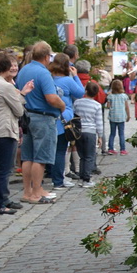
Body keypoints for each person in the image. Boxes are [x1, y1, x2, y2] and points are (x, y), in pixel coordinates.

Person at [15, 41, 65, 204]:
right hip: (43, 117)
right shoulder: (43, 73)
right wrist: (62, 105)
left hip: (27, 116)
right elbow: (51, 98)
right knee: (41, 157)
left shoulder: (24, 69)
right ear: (46, 56)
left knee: (28, 156)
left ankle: (27, 191)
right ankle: (37, 192)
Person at [0, 51, 25, 227]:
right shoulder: (5, 86)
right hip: (4, 130)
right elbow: (19, 110)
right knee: (3, 170)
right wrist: (20, 94)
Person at [48, 53, 84, 189]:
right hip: (64, 119)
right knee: (61, 150)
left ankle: (55, 176)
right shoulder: (67, 81)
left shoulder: (49, 78)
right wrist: (75, 76)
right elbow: (80, 92)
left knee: (54, 149)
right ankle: (58, 179)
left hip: (52, 117)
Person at [105, 78, 130, 153]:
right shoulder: (124, 96)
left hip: (112, 117)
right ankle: (122, 149)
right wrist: (128, 115)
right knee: (121, 134)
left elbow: (108, 106)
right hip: (121, 117)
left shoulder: (110, 96)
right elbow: (126, 107)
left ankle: (110, 148)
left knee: (112, 133)